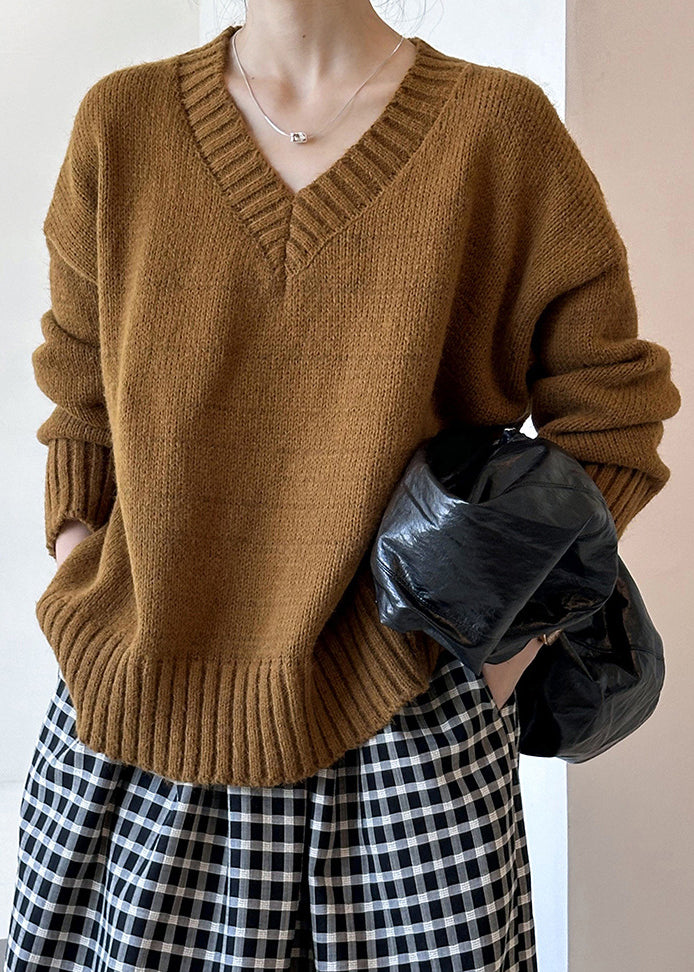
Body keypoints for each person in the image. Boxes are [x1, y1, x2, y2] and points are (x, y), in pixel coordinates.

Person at [5, 1, 681, 970]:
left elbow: (610, 418)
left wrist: (493, 656)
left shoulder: (496, 131)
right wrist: (83, 585)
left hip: (403, 737)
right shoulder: (124, 122)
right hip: (136, 728)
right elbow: (81, 403)